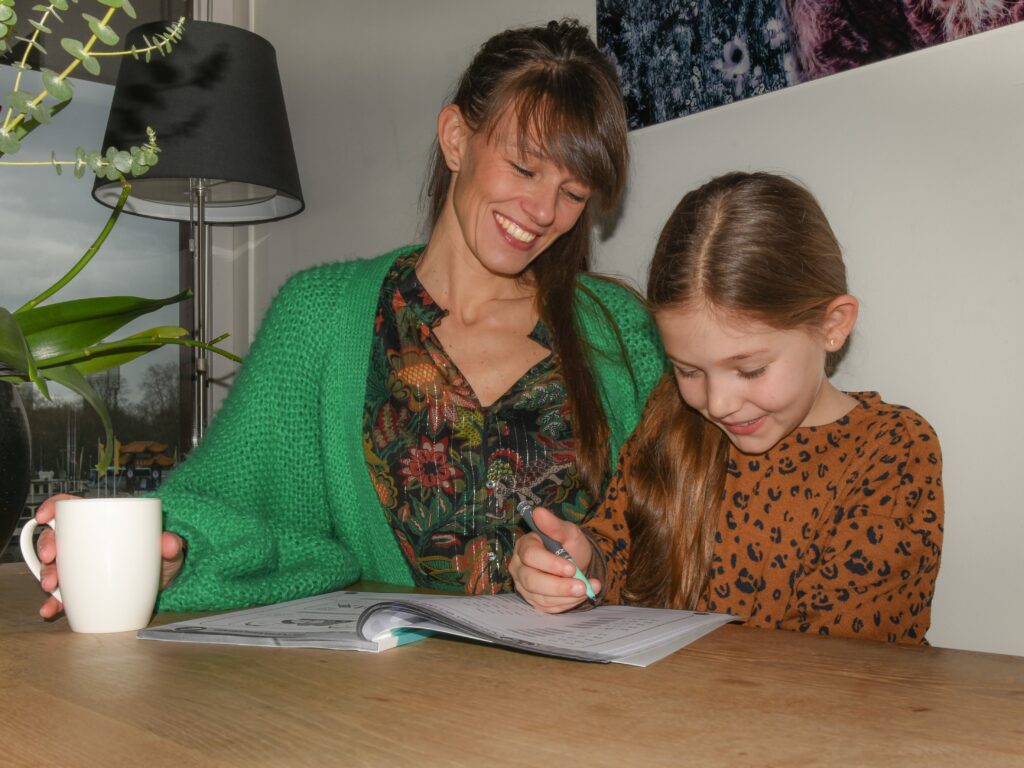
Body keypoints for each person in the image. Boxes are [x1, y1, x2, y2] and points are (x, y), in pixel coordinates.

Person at [32, 19, 665, 616]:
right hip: (378, 709)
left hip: (579, 707)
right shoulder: (321, 315)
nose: (542, 210)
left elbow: (689, 523)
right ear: (455, 139)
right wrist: (156, 554)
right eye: (524, 167)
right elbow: (223, 500)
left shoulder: (619, 334)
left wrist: (598, 566)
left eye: (574, 192)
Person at [511, 171, 944, 644]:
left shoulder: (891, 449)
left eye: (751, 369)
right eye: (689, 371)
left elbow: (846, 662)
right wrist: (576, 563)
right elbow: (616, 551)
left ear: (832, 325)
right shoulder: (670, 420)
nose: (717, 404)